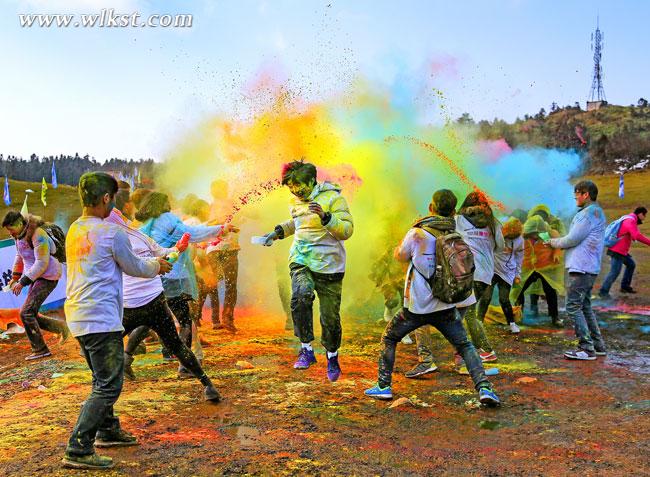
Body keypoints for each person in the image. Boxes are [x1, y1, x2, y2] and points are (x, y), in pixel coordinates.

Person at [62, 172, 172, 470]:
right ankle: (79, 448)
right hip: (101, 318)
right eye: (115, 198)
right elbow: (135, 265)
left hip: (80, 317)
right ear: (107, 198)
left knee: (102, 378)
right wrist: (158, 265)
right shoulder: (111, 233)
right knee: (109, 385)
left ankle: (108, 430)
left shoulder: (75, 228)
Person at [364, 189, 500, 406]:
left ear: (431, 207)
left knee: (389, 338)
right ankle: (485, 389)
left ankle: (383, 386)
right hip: (446, 305)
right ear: (453, 210)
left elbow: (400, 256)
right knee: (465, 345)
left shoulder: (417, 233)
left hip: (417, 308)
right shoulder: (457, 233)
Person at [105, 188, 221, 401]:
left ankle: (123, 362)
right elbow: (149, 260)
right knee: (183, 322)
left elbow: (159, 253)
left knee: (130, 330)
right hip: (161, 288)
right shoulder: (142, 231)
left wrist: (175, 250)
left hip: (135, 300)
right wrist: (220, 229)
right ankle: (202, 381)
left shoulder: (138, 231)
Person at [263, 160, 353, 382]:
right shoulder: (294, 201)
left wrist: (326, 217)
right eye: (290, 186)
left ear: (312, 180)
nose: (295, 190)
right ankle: (306, 349)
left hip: (330, 265)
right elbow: (297, 222)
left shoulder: (334, 198)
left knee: (329, 317)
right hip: (301, 259)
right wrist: (277, 232)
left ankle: (332, 357)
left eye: (298, 185)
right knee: (301, 296)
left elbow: (347, 230)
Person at [135, 192, 236, 373]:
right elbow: (193, 234)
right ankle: (185, 365)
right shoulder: (168, 219)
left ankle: (129, 356)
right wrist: (222, 229)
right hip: (175, 277)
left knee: (152, 318)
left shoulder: (144, 226)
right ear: (163, 204)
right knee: (184, 320)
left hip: (153, 277)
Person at [548, 180, 607, 360]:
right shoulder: (597, 212)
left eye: (577, 195)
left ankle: (586, 349)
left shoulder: (587, 214)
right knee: (585, 306)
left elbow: (572, 239)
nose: (575, 198)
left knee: (573, 307)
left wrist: (552, 242)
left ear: (585, 194)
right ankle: (597, 346)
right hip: (589, 267)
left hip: (581, 267)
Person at [2, 211, 70, 359]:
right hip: (35, 277)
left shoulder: (38, 234)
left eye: (11, 228)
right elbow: (19, 256)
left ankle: (40, 349)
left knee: (25, 312)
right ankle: (61, 328)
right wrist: (15, 277)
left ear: (20, 224)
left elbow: (42, 263)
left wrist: (22, 282)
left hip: (48, 276)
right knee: (29, 312)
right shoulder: (18, 236)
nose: (10, 232)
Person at [455, 191, 504, 362]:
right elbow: (500, 247)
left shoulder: (458, 220)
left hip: (467, 272)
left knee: (468, 313)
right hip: (485, 274)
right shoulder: (493, 223)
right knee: (463, 311)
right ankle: (463, 350)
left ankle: (486, 350)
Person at [512, 215, 565, 327]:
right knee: (519, 290)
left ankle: (554, 317)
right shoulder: (521, 237)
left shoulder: (546, 235)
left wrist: (556, 253)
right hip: (527, 268)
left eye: (538, 233)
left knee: (550, 291)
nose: (536, 235)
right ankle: (517, 315)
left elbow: (557, 244)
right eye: (534, 233)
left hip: (545, 268)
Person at [206, 180, 241, 332]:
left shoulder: (209, 207)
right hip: (226, 249)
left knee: (213, 282)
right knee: (229, 284)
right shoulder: (233, 204)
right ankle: (226, 318)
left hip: (215, 250)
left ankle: (218, 318)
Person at [599, 206, 650, 297]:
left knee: (631, 264)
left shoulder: (629, 218)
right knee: (614, 272)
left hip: (621, 251)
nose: (644, 218)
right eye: (644, 215)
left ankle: (625, 287)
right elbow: (636, 235)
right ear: (640, 214)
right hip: (617, 251)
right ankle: (603, 292)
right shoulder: (630, 221)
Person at [491, 217, 524, 333]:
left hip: (508, 271)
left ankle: (512, 324)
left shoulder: (520, 240)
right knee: (485, 297)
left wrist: (517, 275)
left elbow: (519, 258)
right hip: (492, 269)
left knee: (504, 299)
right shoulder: (497, 231)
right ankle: (478, 322)